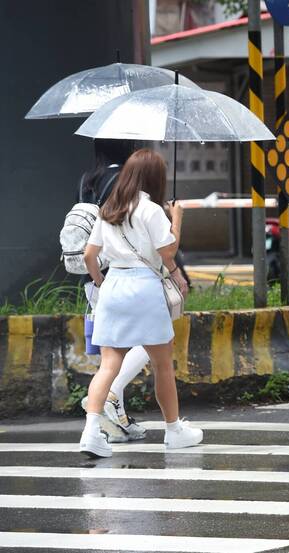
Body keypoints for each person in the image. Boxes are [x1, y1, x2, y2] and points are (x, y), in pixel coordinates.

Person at [79, 149, 201, 458]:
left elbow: (89, 256)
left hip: (114, 287)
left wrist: (100, 283)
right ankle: (174, 431)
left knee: (108, 365)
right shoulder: (150, 210)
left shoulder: (109, 208)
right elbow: (168, 253)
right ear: (154, 178)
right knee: (162, 364)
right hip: (144, 288)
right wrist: (177, 220)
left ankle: (91, 432)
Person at [78, 139, 152, 443]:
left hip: (92, 275)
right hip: (119, 274)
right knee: (150, 340)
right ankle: (109, 397)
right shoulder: (123, 178)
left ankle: (116, 420)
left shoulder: (89, 178)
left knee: (111, 353)